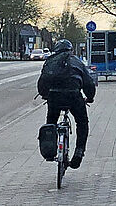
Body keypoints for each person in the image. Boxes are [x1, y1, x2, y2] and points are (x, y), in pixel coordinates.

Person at [37, 39, 96, 169]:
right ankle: (79, 152)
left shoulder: (50, 61)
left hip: (54, 97)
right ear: (71, 50)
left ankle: (50, 148)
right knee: (82, 123)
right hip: (74, 96)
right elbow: (88, 82)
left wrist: (44, 94)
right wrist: (90, 97)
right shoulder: (77, 62)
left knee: (51, 122)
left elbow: (42, 81)